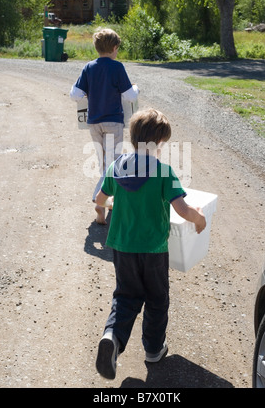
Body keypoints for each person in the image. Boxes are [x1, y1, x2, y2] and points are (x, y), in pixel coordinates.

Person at [95, 108, 206, 379]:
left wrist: (106, 209)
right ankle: (154, 350)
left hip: (121, 246)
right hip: (153, 249)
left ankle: (113, 337)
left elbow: (99, 199)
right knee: (156, 299)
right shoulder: (163, 172)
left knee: (126, 295)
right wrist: (199, 219)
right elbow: (182, 209)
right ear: (158, 144)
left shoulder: (116, 166)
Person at [70, 28, 139, 224]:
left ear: (97, 47)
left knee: (103, 163)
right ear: (115, 47)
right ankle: (99, 201)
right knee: (115, 163)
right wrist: (136, 88)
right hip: (113, 121)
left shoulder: (88, 68)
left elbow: (75, 95)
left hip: (94, 123)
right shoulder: (117, 67)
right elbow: (130, 96)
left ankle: (107, 200)